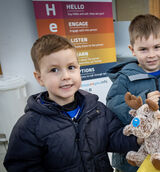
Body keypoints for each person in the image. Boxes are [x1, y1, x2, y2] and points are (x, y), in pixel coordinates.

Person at [3, 34, 141, 172]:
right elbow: (21, 166)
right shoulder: (29, 126)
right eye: (54, 70)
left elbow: (114, 137)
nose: (66, 76)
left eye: (71, 67)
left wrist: (138, 139)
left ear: (79, 69)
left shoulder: (97, 110)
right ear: (39, 78)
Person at [106, 14, 160, 172]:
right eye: (143, 49)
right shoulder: (125, 77)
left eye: (157, 47)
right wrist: (142, 102)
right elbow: (113, 105)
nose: (151, 55)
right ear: (132, 50)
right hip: (131, 161)